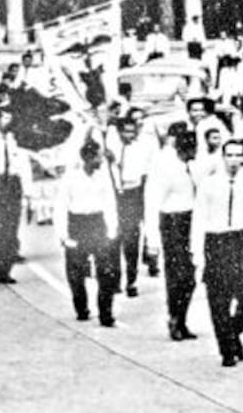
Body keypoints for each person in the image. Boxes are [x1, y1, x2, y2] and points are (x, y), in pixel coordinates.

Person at [191, 139, 243, 367]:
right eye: (229, 155)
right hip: (216, 241)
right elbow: (199, 219)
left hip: (241, 241)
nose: (234, 160)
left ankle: (234, 333)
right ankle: (226, 349)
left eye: (238, 155)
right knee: (219, 300)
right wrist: (198, 254)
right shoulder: (209, 184)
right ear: (223, 157)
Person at [55, 140, 122, 325]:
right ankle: (81, 308)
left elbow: (110, 204)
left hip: (97, 224)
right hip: (77, 225)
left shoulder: (103, 177)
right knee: (76, 272)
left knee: (106, 271)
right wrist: (63, 236)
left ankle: (106, 313)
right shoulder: (70, 178)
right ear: (88, 157)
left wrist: (111, 229)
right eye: (98, 157)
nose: (101, 160)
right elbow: (61, 207)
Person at [144, 130, 200, 341]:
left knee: (190, 278)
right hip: (173, 224)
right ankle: (174, 318)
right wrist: (152, 241)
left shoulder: (190, 168)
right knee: (178, 276)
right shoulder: (167, 170)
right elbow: (152, 204)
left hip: (190, 222)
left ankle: (182, 319)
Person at [0, 106, 31, 285]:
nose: (9, 121)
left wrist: (28, 193)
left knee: (11, 226)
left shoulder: (16, 139)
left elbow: (24, 166)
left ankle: (4, 270)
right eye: (5, 117)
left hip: (13, 184)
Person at [112, 116, 154, 295]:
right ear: (120, 131)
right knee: (113, 240)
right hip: (114, 196)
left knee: (131, 241)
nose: (130, 135)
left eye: (132, 131)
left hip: (132, 195)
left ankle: (131, 281)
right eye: (126, 131)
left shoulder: (140, 149)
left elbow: (145, 175)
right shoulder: (111, 148)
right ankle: (113, 280)